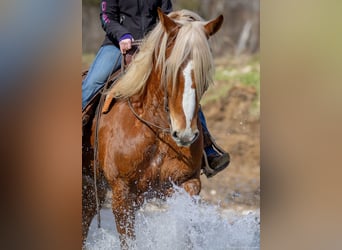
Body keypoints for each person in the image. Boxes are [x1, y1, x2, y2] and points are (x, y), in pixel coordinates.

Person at [82, 0, 229, 177]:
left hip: (155, 46)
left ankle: (207, 146)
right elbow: (107, 17)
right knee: (92, 83)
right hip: (117, 45)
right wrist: (122, 35)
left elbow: (167, 17)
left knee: (182, 85)